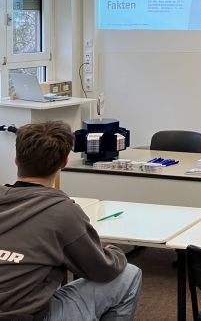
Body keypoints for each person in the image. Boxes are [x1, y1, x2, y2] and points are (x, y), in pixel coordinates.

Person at [0, 121, 143, 320]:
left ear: (16, 159)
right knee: (129, 274)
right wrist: (115, 253)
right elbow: (102, 270)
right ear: (64, 163)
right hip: (26, 316)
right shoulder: (63, 212)